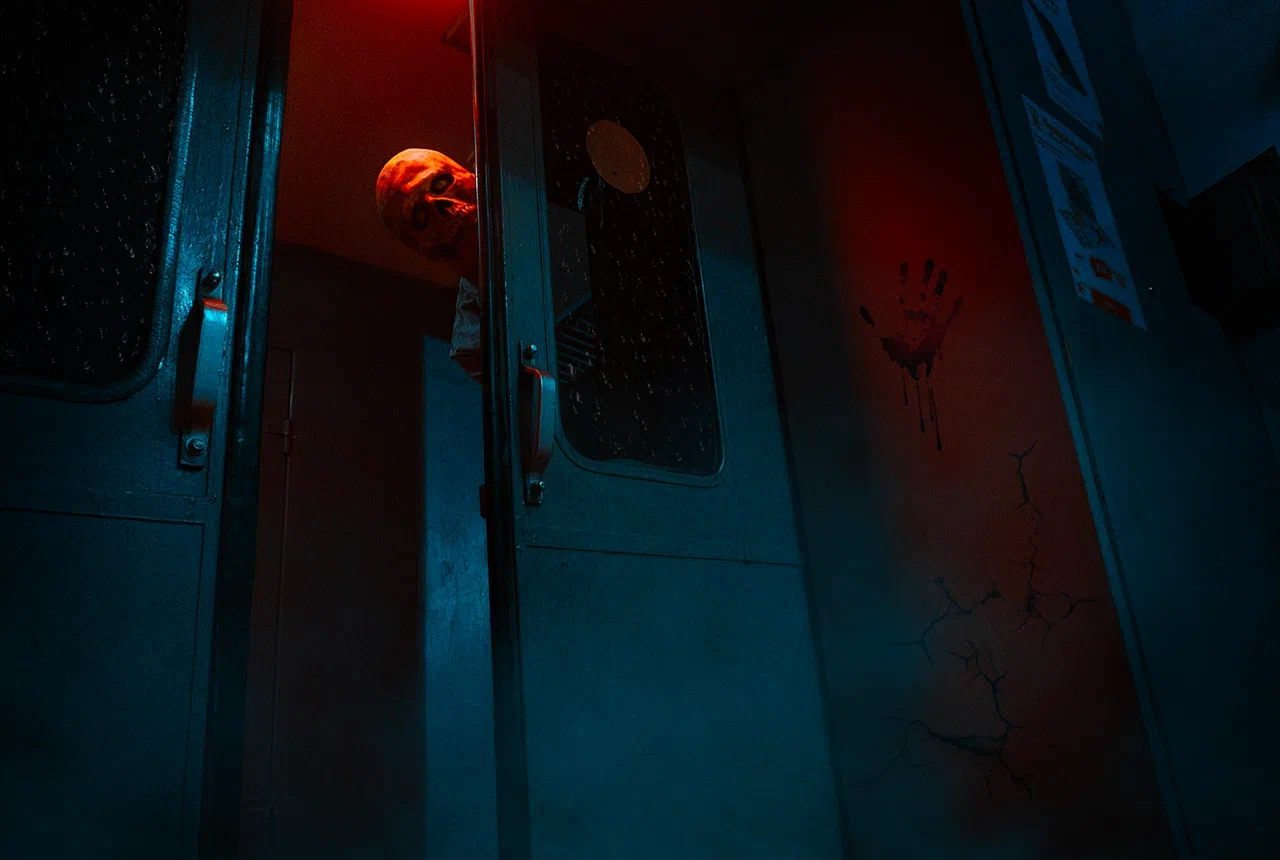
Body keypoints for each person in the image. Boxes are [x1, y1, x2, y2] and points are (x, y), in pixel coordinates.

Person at [375, 148, 483, 382]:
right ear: (423, 249)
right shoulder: (474, 345)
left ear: (472, 176)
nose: (439, 206)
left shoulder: (530, 183)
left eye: (440, 184)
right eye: (420, 216)